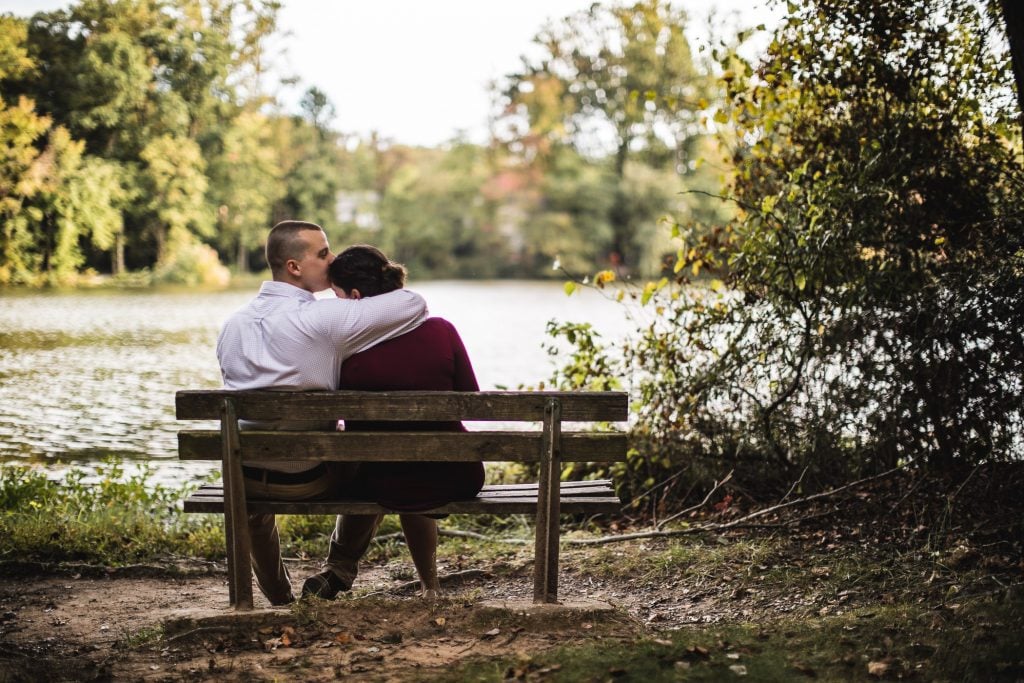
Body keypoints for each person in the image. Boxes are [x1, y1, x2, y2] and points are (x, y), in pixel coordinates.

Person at [216, 221, 428, 606]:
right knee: (375, 456)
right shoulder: (321, 320)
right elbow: (413, 303)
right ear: (295, 267)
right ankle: (339, 569)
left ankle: (279, 598)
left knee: (255, 503)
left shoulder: (232, 325)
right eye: (323, 253)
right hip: (307, 479)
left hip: (241, 476)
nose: (333, 260)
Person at [301, 245, 485, 600]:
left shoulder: (348, 350)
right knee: (414, 462)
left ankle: (337, 572)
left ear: (355, 296)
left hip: (378, 480)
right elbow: (472, 401)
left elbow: (343, 421)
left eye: (337, 296)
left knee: (382, 464)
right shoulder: (442, 329)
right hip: (454, 474)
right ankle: (430, 587)